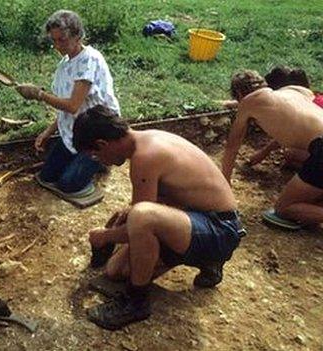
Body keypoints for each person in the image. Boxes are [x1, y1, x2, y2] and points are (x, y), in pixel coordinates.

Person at [73, 105, 244, 330]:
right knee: (116, 271)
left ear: (102, 144)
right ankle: (206, 260)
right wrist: (126, 220)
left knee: (141, 216)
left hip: (219, 229)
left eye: (95, 154)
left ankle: (136, 302)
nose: (100, 161)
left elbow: (143, 218)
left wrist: (106, 236)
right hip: (198, 220)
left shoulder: (146, 156)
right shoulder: (145, 140)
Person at [15, 10, 121, 196]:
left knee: (68, 185)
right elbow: (71, 109)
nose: (57, 45)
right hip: (76, 129)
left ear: (78, 36)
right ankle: (85, 161)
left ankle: (103, 159)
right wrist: (48, 132)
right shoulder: (65, 63)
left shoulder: (89, 61)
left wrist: (39, 94)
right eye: (54, 40)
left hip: (97, 132)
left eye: (62, 40)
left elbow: (72, 105)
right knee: (47, 176)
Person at [222, 70, 323, 227]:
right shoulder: (294, 91)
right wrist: (264, 151)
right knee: (314, 200)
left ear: (241, 94)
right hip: (318, 146)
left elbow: (232, 147)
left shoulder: (249, 102)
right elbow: (298, 119)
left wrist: (224, 182)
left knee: (284, 209)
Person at [247, 66, 323, 168]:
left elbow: (298, 133)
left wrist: (264, 152)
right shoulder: (314, 99)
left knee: (291, 153)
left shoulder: (311, 107)